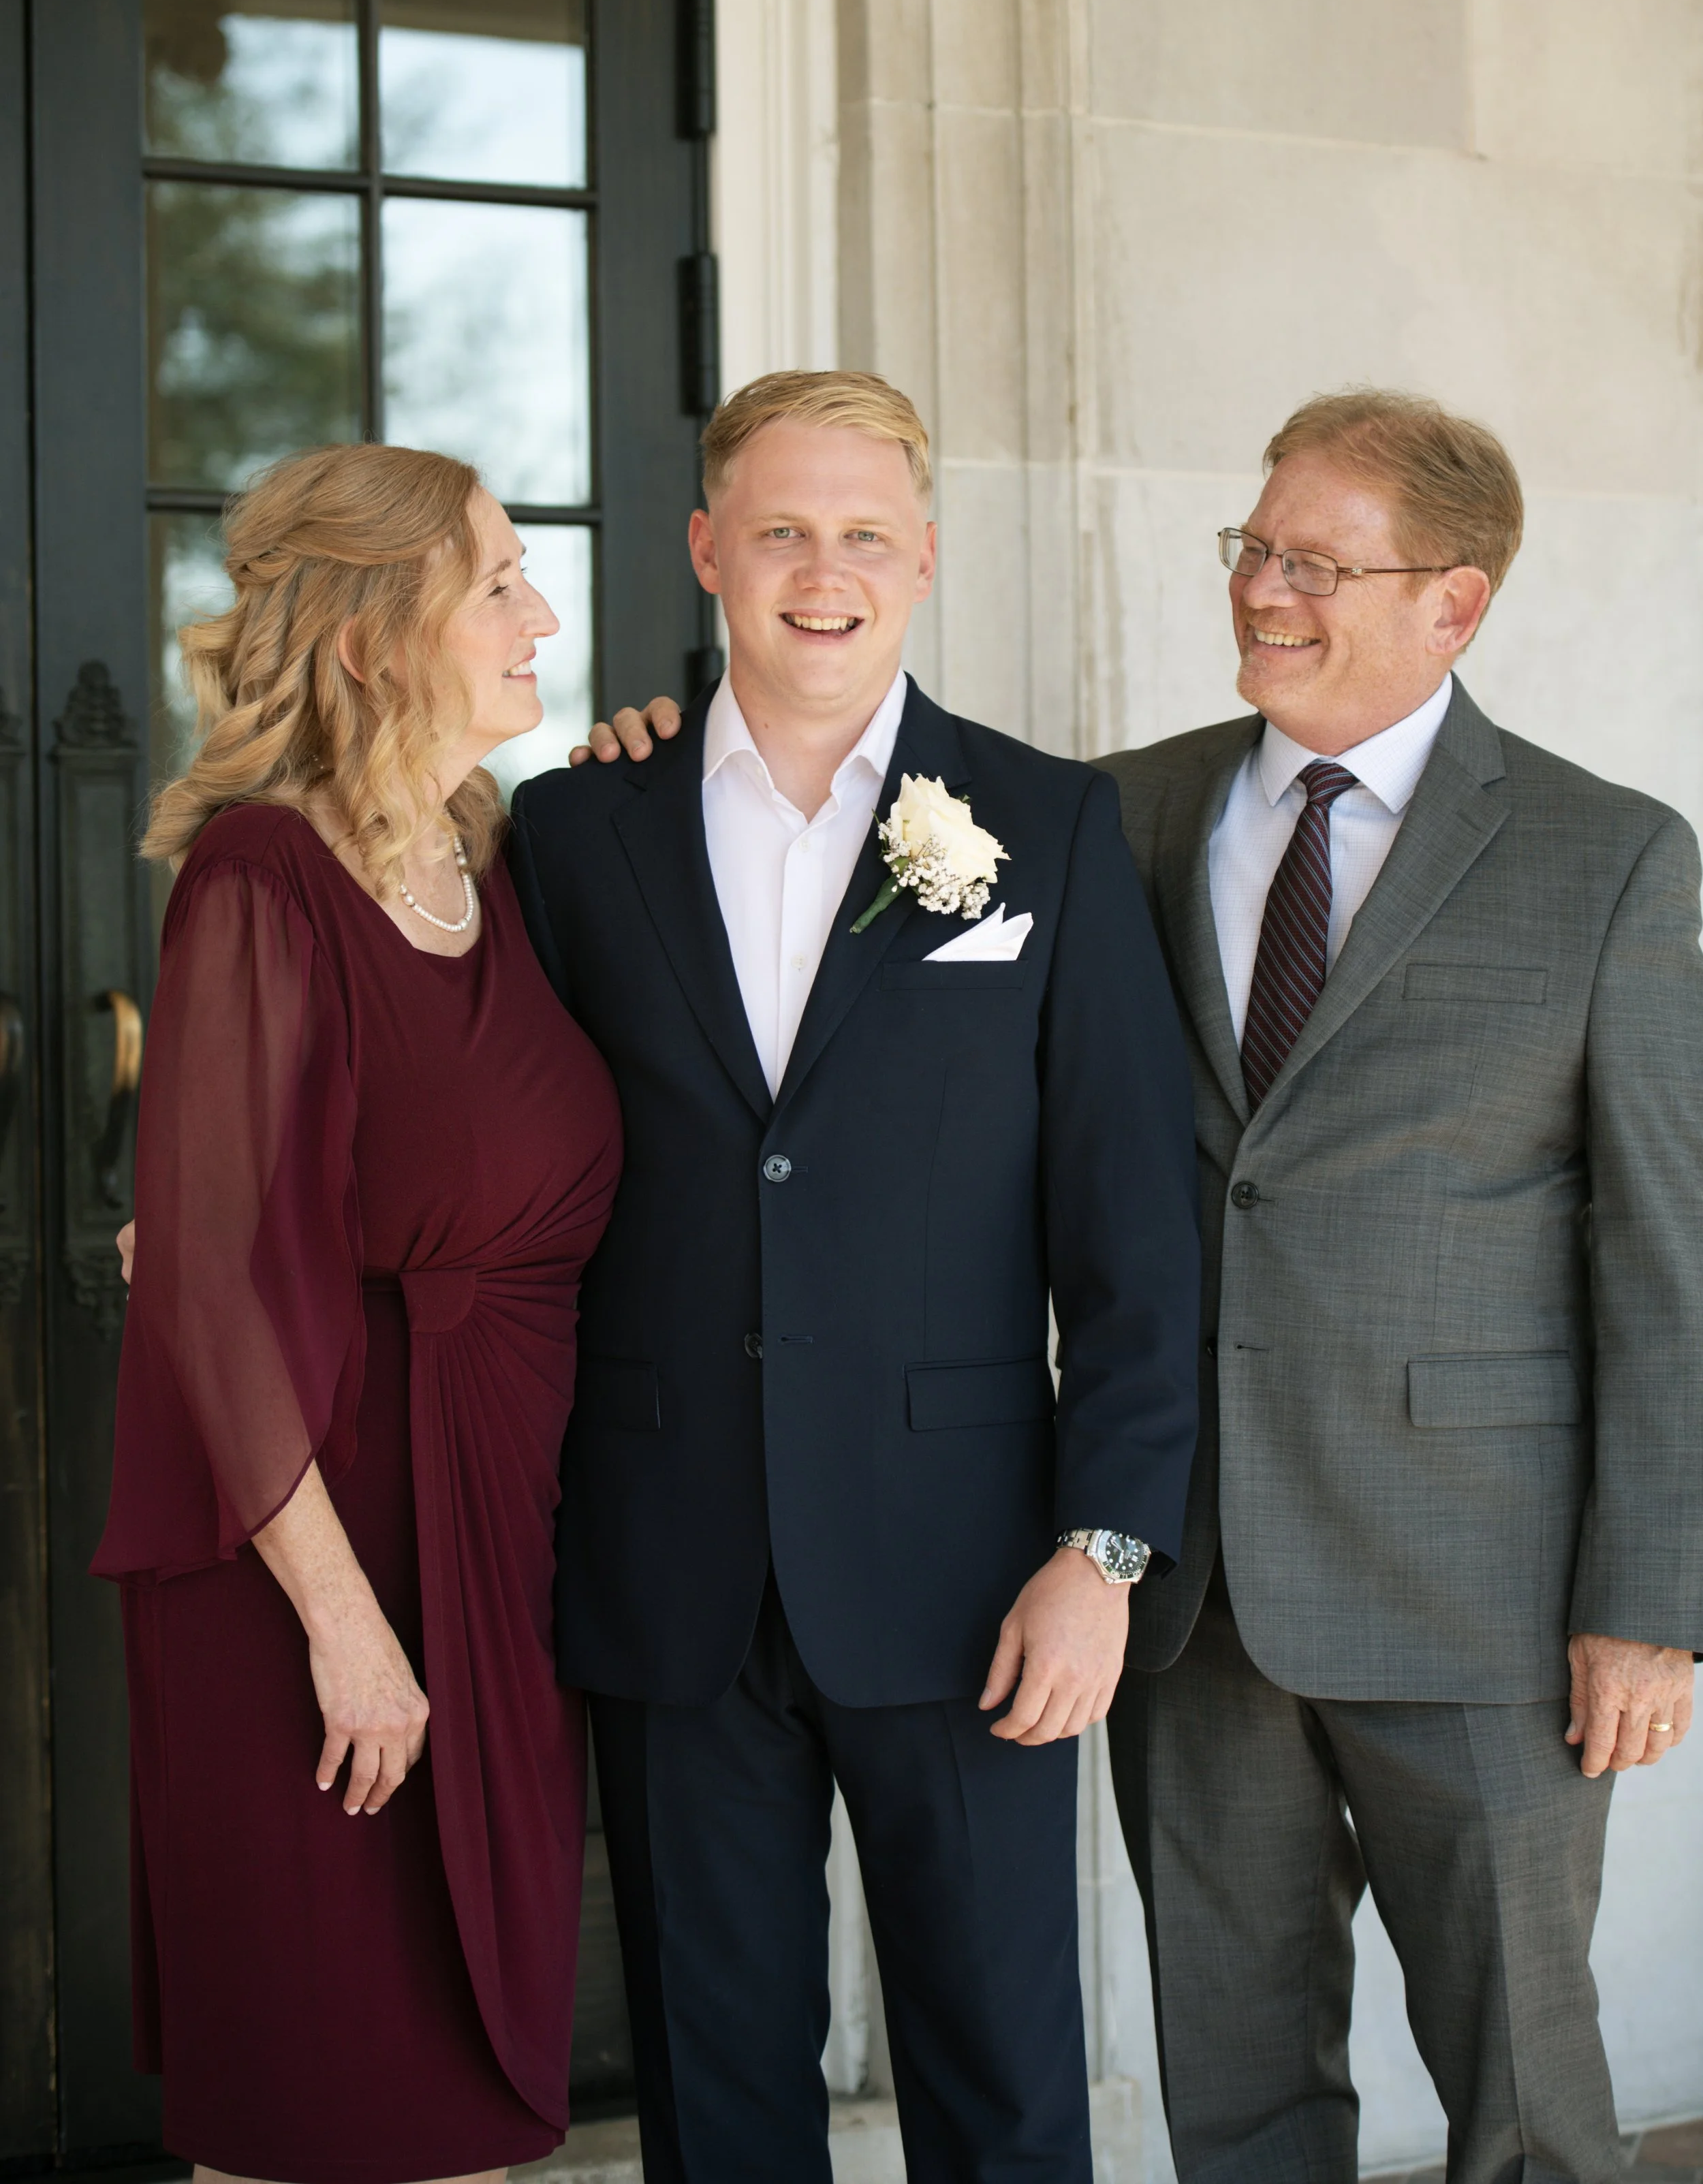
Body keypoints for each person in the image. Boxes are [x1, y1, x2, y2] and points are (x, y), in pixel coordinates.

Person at [508, 368, 1202, 2184]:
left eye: (866, 532)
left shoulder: (1046, 825)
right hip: (668, 1556)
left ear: (926, 557)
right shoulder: (576, 831)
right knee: (716, 2092)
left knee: (997, 2077)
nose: (826, 569)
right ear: (706, 549)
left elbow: (1131, 1231)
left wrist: (1103, 1543)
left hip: (971, 1565)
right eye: (783, 529)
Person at [1098, 392, 1703, 2184]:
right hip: (1187, 1583)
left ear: (1454, 602)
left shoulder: (1607, 859)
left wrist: (1648, 1597)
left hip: (1485, 1599)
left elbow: (1666, 1251)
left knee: (1523, 2100)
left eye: (1313, 561)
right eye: (1252, 547)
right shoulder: (1115, 817)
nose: (1262, 589)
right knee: (1238, 2093)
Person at [95, 445, 623, 2184]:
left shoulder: (500, 859)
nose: (538, 613)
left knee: (466, 2106)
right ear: (370, 641)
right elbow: (216, 1292)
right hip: (313, 1573)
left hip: (496, 1544)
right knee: (319, 2096)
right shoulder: (260, 878)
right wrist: (344, 1625)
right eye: (494, 585)